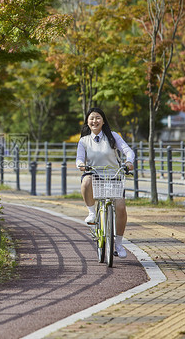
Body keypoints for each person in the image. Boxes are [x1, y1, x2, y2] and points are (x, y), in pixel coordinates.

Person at [75, 107, 135, 258]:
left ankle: (119, 244)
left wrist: (129, 161)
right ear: (87, 122)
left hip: (113, 175)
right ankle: (91, 213)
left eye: (98, 118)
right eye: (91, 118)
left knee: (120, 207)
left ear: (103, 121)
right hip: (94, 175)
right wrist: (81, 165)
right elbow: (79, 158)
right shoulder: (84, 141)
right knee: (86, 181)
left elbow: (128, 151)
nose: (94, 121)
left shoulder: (112, 136)